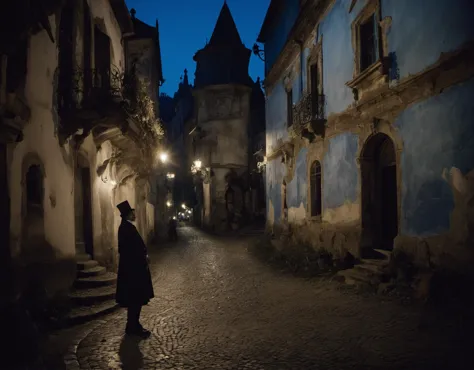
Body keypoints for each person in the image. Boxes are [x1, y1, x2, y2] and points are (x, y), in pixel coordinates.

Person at [116, 200, 154, 338]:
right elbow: (130, 250)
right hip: (134, 271)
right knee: (135, 299)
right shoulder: (127, 228)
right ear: (128, 214)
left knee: (135, 299)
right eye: (132, 213)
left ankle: (134, 324)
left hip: (133, 269)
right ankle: (133, 327)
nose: (134, 215)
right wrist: (143, 258)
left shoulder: (126, 227)